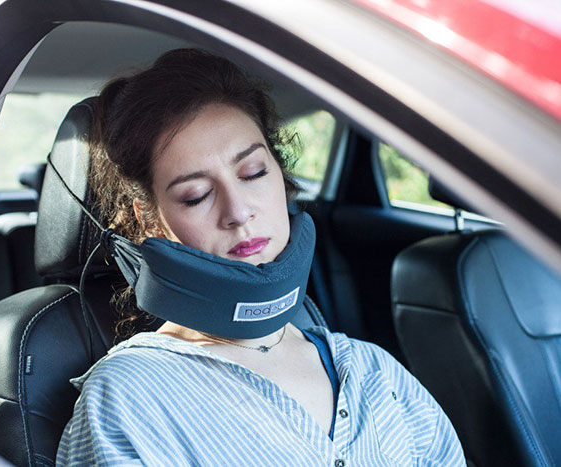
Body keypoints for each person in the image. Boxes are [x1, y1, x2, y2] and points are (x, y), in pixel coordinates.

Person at [56, 48, 465, 466]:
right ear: (150, 221)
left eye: (253, 173)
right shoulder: (129, 398)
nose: (237, 212)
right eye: (196, 195)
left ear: (281, 176)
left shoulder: (375, 371)